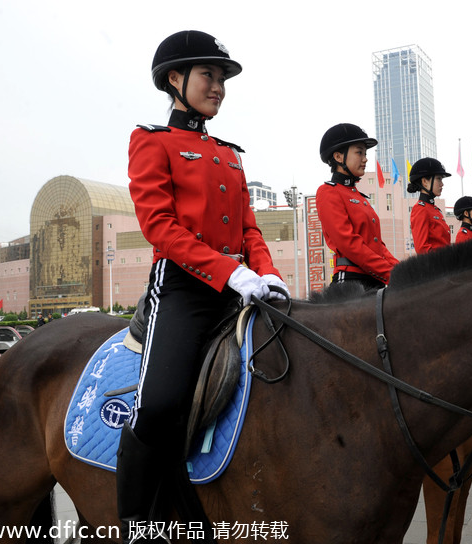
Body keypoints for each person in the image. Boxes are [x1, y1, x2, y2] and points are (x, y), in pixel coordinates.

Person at [120, 30, 287, 543]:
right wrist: (228, 271)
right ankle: (135, 522)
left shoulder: (229, 153)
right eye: (208, 76)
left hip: (240, 287)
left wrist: (267, 272)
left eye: (222, 78)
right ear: (176, 79)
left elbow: (249, 229)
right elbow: (160, 228)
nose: (218, 86)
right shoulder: (152, 140)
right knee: (163, 402)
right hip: (184, 291)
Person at [316, 123, 399, 291]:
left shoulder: (358, 196)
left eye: (365, 153)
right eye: (359, 152)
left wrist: (402, 271)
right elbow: (350, 244)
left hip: (375, 279)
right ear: (339, 157)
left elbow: (377, 246)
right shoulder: (328, 192)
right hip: (351, 283)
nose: (365, 158)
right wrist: (391, 273)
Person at [408, 157, 452, 254]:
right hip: (435, 267)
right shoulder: (420, 209)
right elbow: (422, 249)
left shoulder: (435, 209)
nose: (442, 184)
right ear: (425, 182)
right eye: (438, 179)